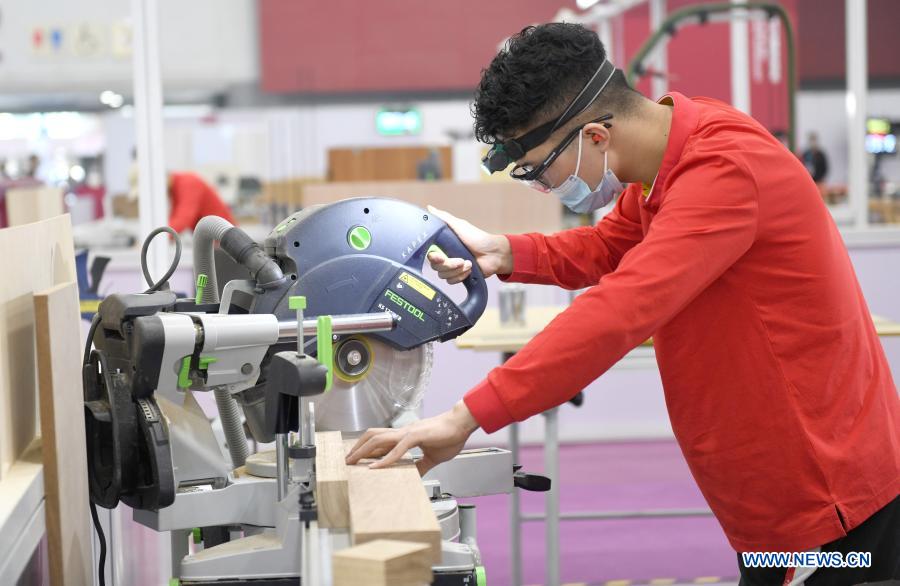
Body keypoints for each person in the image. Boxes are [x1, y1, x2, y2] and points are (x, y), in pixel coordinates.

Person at [345, 24, 900, 584]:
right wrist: (504, 251)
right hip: (770, 497)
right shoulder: (666, 156)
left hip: (832, 500)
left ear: (595, 137)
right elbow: (612, 246)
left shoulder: (723, 169)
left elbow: (621, 309)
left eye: (540, 171)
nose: (544, 187)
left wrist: (466, 417)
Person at [167, 171, 236, 233]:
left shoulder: (188, 182)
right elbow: (175, 217)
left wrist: (161, 235)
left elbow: (183, 218)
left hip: (222, 234)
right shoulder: (174, 189)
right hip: (211, 236)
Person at [802, 132, 831, 203]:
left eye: (814, 140)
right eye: (811, 140)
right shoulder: (806, 154)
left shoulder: (821, 154)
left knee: (821, 200)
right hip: (809, 182)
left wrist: (820, 179)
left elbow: (825, 168)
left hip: (820, 182)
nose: (813, 142)